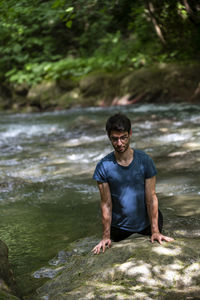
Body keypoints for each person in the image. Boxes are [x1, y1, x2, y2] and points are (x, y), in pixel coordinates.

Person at [92, 113, 174, 254]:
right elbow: (106, 204)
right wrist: (106, 236)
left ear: (130, 133)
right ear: (109, 137)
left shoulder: (145, 161)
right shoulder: (103, 166)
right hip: (119, 228)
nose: (119, 143)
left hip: (147, 224)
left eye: (123, 137)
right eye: (115, 139)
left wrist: (155, 231)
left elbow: (151, 198)